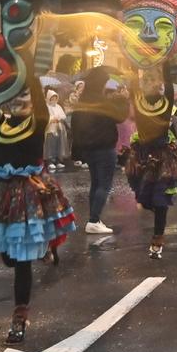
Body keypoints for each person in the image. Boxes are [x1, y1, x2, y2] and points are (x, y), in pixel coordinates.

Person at [0, 84, 74, 342]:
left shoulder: (39, 121)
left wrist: (27, 62)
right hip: (2, 197)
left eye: (25, 95)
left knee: (21, 261)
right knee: (9, 258)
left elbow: (34, 90)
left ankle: (19, 317)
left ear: (34, 102)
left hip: (28, 196)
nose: (19, 100)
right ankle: (43, 250)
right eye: (14, 95)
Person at [122, 57, 177, 260]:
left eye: (155, 81)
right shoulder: (138, 100)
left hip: (162, 158)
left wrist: (165, 62)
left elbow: (168, 85)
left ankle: (157, 241)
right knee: (144, 199)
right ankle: (152, 209)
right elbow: (133, 83)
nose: (151, 83)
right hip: (142, 157)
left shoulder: (166, 103)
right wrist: (132, 58)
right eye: (147, 80)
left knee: (160, 202)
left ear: (159, 85)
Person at [70, 66, 123, 234]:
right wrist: (123, 100)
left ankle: (94, 219)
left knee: (96, 183)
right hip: (105, 148)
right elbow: (119, 117)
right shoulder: (102, 101)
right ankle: (94, 220)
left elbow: (75, 125)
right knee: (104, 185)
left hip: (90, 149)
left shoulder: (83, 101)